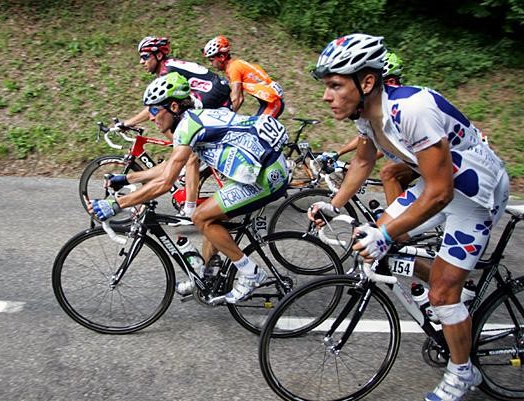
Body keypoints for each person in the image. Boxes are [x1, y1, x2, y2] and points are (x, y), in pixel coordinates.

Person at [307, 33, 509, 401]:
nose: (326, 96)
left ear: (367, 82)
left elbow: (441, 193)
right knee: (381, 240)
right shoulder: (367, 116)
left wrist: (384, 234)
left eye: (335, 85)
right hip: (438, 183)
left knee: (440, 292)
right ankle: (452, 290)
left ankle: (462, 372)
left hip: (475, 195)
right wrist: (334, 205)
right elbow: (363, 162)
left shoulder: (412, 109)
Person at [88, 72, 290, 303]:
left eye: (154, 110)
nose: (151, 117)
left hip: (266, 175)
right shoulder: (192, 121)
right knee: (210, 219)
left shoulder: (187, 127)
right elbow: (170, 166)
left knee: (202, 217)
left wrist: (117, 204)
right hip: (258, 169)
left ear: (173, 107)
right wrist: (127, 179)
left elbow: (165, 183)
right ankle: (207, 277)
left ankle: (251, 273)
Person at [119, 36, 232, 217]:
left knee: (188, 150)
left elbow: (155, 108)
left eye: (145, 57)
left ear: (158, 55)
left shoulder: (167, 71)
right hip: (213, 95)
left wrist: (127, 123)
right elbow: (156, 109)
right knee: (176, 129)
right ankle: (191, 164)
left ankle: (190, 208)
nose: (141, 62)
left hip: (213, 97)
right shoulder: (167, 68)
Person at [315, 51, 417, 205]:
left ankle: (398, 216)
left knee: (389, 173)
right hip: (414, 159)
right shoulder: (366, 113)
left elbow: (386, 145)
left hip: (438, 163)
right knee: (397, 184)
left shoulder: (402, 107)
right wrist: (338, 154)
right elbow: (367, 146)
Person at [203, 35, 285, 118]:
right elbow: (240, 99)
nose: (211, 64)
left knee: (255, 125)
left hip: (272, 102)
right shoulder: (236, 65)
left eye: (212, 60)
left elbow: (236, 99)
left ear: (222, 57)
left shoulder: (233, 69)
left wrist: (224, 118)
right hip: (270, 101)